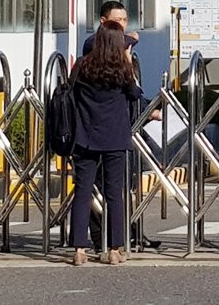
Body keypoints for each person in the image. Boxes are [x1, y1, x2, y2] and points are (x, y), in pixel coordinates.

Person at [69, 21, 143, 266]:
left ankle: (79, 249)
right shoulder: (121, 69)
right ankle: (114, 249)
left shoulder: (83, 66)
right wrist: (129, 61)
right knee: (114, 194)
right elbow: (135, 94)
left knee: (82, 192)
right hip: (115, 137)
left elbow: (70, 91)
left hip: (85, 136)